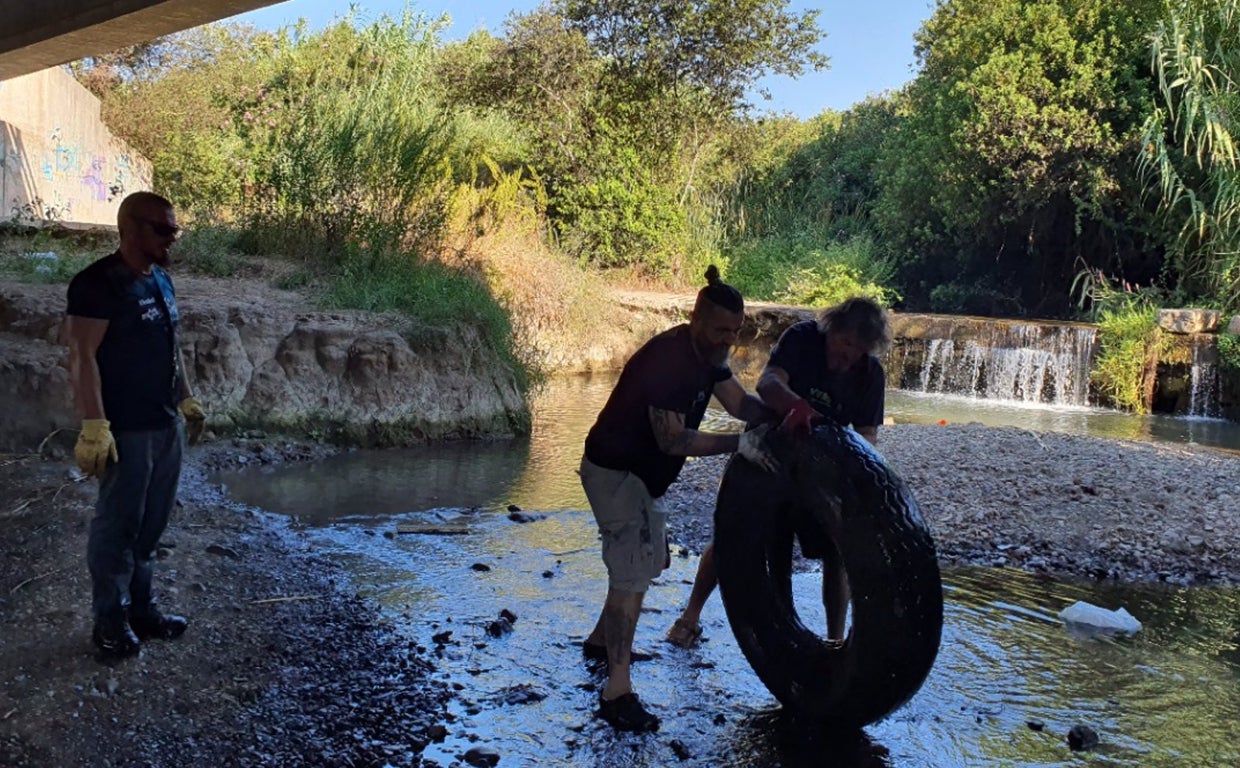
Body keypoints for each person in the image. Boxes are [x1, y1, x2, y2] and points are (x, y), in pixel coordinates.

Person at [579, 265, 777, 733]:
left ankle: (600, 642)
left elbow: (737, 404)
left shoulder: (711, 357)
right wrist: (740, 444)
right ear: (695, 319)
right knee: (632, 575)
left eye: (735, 330)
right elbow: (673, 441)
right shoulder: (671, 360)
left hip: (638, 478)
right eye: (719, 330)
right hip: (615, 474)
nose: (728, 339)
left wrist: (777, 419)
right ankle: (617, 691)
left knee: (643, 564)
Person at [665, 296, 890, 649]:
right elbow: (768, 383)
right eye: (844, 342)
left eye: (858, 348)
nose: (848, 354)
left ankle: (836, 639)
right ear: (831, 330)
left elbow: (868, 436)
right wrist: (797, 407)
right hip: (768, 451)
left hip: (822, 469)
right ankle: (689, 617)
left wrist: (842, 456)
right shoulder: (802, 338)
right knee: (729, 533)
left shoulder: (870, 374)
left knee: (837, 549)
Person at [65, 191, 206, 660]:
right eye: (162, 229)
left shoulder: (162, 281)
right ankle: (109, 620)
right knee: (117, 527)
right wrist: (93, 424)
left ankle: (142, 611)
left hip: (165, 425)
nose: (172, 238)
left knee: (151, 526)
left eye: (174, 229)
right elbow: (82, 356)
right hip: (125, 428)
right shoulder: (98, 284)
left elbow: (172, 346)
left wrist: (185, 400)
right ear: (131, 229)